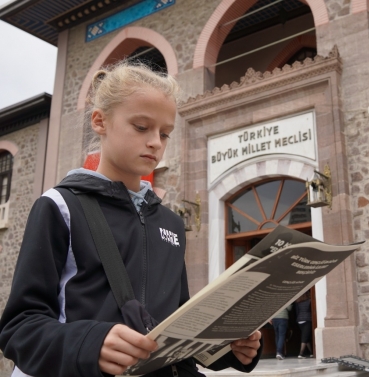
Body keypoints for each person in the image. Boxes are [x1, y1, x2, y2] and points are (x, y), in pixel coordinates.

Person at [0, 62, 261, 377]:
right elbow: (19, 329)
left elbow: (174, 329)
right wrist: (90, 343)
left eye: (165, 133)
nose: (156, 142)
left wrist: (227, 348)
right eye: (141, 127)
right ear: (100, 121)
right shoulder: (59, 207)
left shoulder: (172, 223)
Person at [295, 292, 313, 359]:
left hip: (299, 320)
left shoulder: (298, 302)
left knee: (306, 337)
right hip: (307, 320)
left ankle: (311, 352)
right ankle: (301, 353)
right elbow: (311, 310)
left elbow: (297, 312)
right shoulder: (309, 301)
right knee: (305, 338)